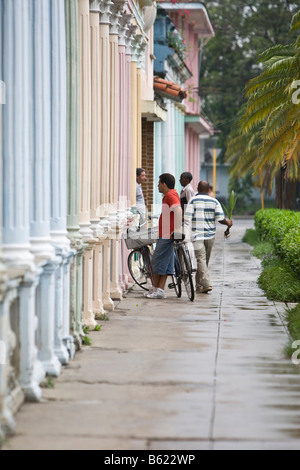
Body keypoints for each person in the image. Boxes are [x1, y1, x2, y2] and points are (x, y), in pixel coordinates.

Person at [184, 181, 233, 294]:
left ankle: (199, 285)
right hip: (210, 235)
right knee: (203, 260)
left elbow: (187, 218)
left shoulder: (193, 200)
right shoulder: (214, 201)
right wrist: (228, 223)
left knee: (202, 261)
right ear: (208, 190)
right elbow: (221, 219)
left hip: (197, 235)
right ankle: (206, 283)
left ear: (198, 188)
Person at [146, 173, 182, 299]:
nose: (157, 185)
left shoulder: (170, 195)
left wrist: (177, 229)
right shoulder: (169, 195)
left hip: (168, 234)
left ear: (164, 184)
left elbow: (178, 210)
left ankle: (157, 288)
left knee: (156, 260)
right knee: (166, 263)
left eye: (159, 183)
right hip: (165, 233)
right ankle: (158, 289)